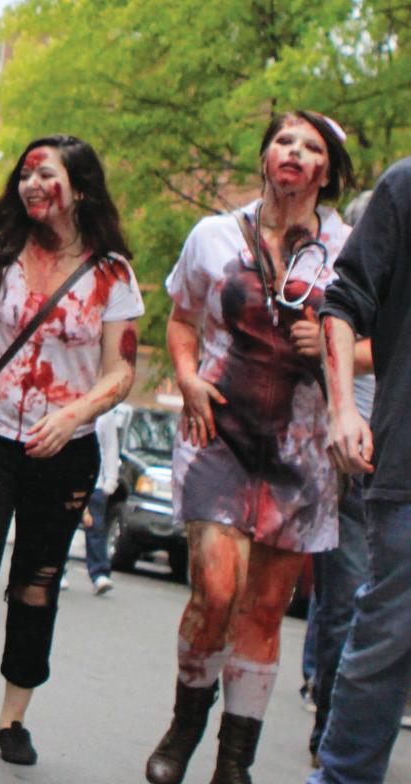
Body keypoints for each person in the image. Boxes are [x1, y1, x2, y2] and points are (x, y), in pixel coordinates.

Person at [0, 134, 144, 772]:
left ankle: (13, 718)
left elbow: (120, 373)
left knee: (37, 583)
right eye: (25, 176)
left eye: (45, 175)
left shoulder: (112, 274)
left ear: (81, 188)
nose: (31, 185)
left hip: (64, 449)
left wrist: (72, 415)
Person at [146, 110, 355, 784]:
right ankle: (184, 727)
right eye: (284, 142)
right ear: (266, 157)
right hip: (220, 435)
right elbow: (181, 320)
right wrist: (185, 378)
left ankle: (234, 762)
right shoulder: (213, 235)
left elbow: (381, 346)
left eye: (311, 146)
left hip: (302, 450)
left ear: (328, 169)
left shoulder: (349, 248)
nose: (294, 152)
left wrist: (332, 345)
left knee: (265, 609)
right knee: (216, 585)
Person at [310, 157, 411, 783]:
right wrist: (343, 408)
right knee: (386, 645)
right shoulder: (406, 186)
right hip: (407, 470)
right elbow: (342, 301)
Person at [303, 191, 375, 766]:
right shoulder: (341, 275)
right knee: (345, 601)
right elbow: (336, 324)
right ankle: (332, 735)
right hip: (355, 455)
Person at [82, 407, 119, 595]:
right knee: (63, 525)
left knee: (96, 526)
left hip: (96, 481)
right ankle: (58, 569)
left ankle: (99, 573)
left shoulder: (105, 412)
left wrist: (111, 479)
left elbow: (110, 446)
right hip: (69, 478)